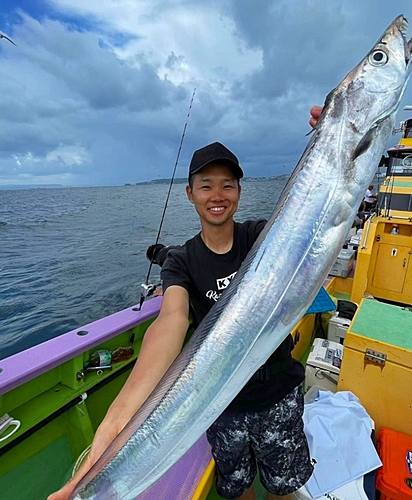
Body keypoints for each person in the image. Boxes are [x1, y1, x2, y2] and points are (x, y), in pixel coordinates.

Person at [48, 107, 322, 500]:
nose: (217, 196)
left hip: (278, 391)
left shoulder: (262, 239)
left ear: (240, 193)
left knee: (284, 489)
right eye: (206, 185)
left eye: (228, 185)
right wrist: (118, 419)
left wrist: (328, 141)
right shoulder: (180, 260)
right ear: (190, 193)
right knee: (237, 488)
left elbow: (311, 223)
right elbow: (171, 321)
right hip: (221, 405)